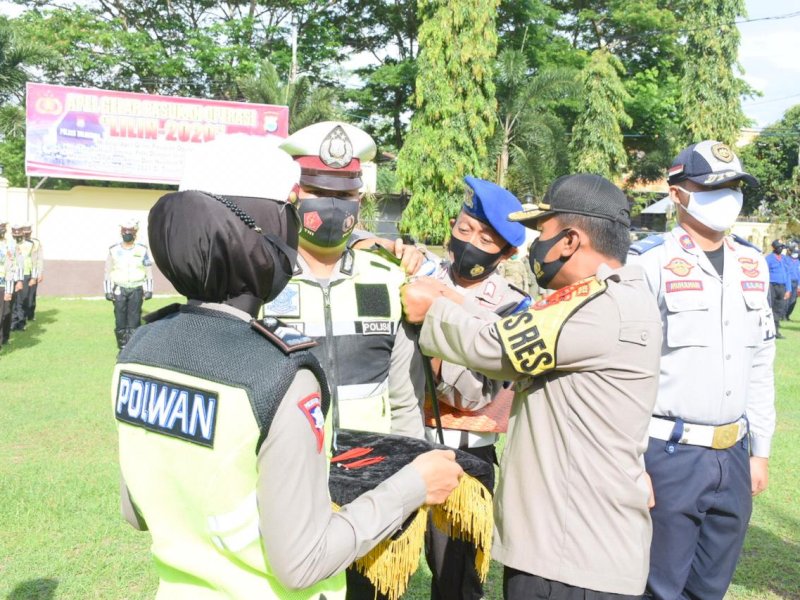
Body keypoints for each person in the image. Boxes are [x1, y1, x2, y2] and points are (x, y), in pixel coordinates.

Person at [114, 135, 463, 599]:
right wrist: (413, 485)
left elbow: (137, 510)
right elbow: (301, 563)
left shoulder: (141, 348)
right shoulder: (279, 376)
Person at [403, 173, 663, 599]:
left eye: (542, 232)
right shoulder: (611, 299)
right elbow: (519, 332)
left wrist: (433, 311)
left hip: (568, 559)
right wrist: (453, 300)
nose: (535, 247)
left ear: (570, 241)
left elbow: (496, 349)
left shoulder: (594, 309)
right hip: (575, 548)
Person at [264, 121, 426, 599]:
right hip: (292, 483)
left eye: (345, 193)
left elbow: (403, 395)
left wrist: (408, 471)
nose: (332, 206)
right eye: (318, 190)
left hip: (373, 484)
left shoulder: (388, 280)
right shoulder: (264, 280)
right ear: (295, 195)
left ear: (360, 200)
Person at [628, 140, 776, 600]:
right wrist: (633, 461)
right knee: (658, 586)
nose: (727, 196)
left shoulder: (754, 263)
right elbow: (626, 373)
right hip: (667, 453)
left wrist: (760, 451)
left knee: (711, 586)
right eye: (713, 186)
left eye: (735, 186)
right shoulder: (647, 263)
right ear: (677, 193)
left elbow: (760, 361)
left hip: (733, 455)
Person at [422, 176, 528, 600]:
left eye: (485, 239)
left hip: (466, 453)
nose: (469, 243)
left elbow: (476, 394)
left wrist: (432, 334)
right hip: (403, 440)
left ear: (505, 253)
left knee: (456, 577)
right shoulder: (418, 276)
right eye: (464, 230)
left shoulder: (512, 308)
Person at [104, 219, 154, 350]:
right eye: (125, 231)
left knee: (134, 319)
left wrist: (149, 289)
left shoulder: (142, 250)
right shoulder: (113, 250)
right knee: (120, 319)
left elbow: (148, 269)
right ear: (121, 233)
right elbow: (108, 270)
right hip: (119, 288)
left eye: (130, 231)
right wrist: (107, 290)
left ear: (135, 233)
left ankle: (131, 349)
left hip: (136, 289)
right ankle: (122, 348)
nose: (127, 233)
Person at [9, 224, 34, 332]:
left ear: (23, 233)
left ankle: (21, 322)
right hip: (11, 275)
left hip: (25, 274)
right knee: (12, 301)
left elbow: (34, 260)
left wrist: (34, 276)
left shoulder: (30, 245)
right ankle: (13, 323)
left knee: (22, 299)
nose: (17, 235)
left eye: (19, 233)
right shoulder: (9, 245)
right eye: (15, 234)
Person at [765, 239, 791, 338]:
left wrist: (788, 289)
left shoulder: (785, 259)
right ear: (774, 248)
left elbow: (788, 274)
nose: (781, 249)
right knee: (770, 308)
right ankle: (770, 331)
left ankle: (776, 331)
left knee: (779, 309)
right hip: (771, 286)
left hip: (782, 287)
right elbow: (765, 273)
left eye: (782, 247)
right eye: (779, 247)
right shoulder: (769, 258)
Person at [22, 223, 43, 322]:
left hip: (33, 272)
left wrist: (40, 273)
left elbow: (39, 259)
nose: (26, 234)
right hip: (20, 273)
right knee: (21, 296)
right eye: (24, 232)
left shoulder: (36, 242)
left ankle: (30, 315)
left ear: (31, 232)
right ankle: (20, 316)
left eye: (28, 232)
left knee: (31, 295)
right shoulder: (18, 242)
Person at [0, 220, 14, 350]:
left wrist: (9, 291)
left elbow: (9, 268)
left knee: (3, 315)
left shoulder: (7, 246)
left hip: (2, 286)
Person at [786, 242, 800, 320]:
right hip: (788, 281)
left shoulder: (798, 262)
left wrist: (799, 285)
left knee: (793, 300)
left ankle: (788, 315)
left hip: (796, 283)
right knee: (786, 299)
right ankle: (783, 315)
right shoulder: (786, 260)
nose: (796, 254)